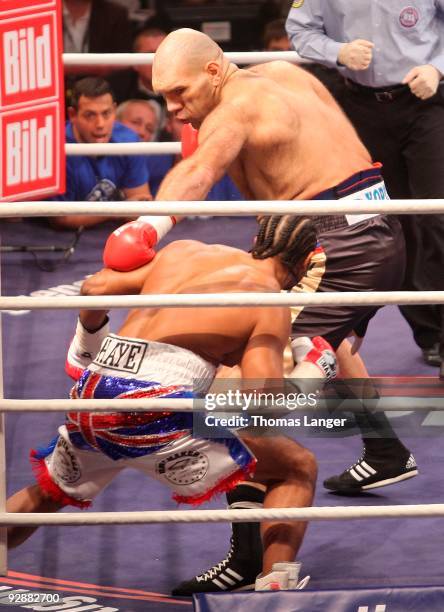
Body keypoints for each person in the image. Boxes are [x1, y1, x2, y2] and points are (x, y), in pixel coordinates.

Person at [102, 29, 417, 594]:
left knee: (229, 389)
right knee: (325, 339)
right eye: (163, 95)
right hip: (374, 226)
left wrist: (147, 224)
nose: (172, 107)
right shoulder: (283, 74)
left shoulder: (234, 110)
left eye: (179, 92)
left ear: (216, 72)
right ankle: (385, 447)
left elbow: (199, 174)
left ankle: (254, 559)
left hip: (329, 246)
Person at [7, 217, 336, 592]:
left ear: (257, 240)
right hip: (156, 404)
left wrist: (85, 350)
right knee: (295, 467)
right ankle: (277, 589)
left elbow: (94, 287)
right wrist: (314, 371)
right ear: (306, 262)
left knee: (50, 492)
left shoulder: (183, 251)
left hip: (95, 389)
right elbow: (260, 400)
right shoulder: (267, 301)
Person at [286, 1, 444, 376]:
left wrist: (437, 67)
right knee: (387, 227)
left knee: (437, 217)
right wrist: (337, 51)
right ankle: (431, 335)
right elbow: (300, 30)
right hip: (360, 108)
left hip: (425, 104)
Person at [50, 78, 151, 229]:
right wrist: (119, 209)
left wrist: (124, 209)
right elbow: (61, 219)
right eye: (90, 115)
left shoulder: (127, 140)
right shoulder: (56, 146)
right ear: (72, 115)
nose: (100, 124)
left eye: (106, 114)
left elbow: (141, 206)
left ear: (115, 111)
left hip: (107, 233)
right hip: (49, 237)